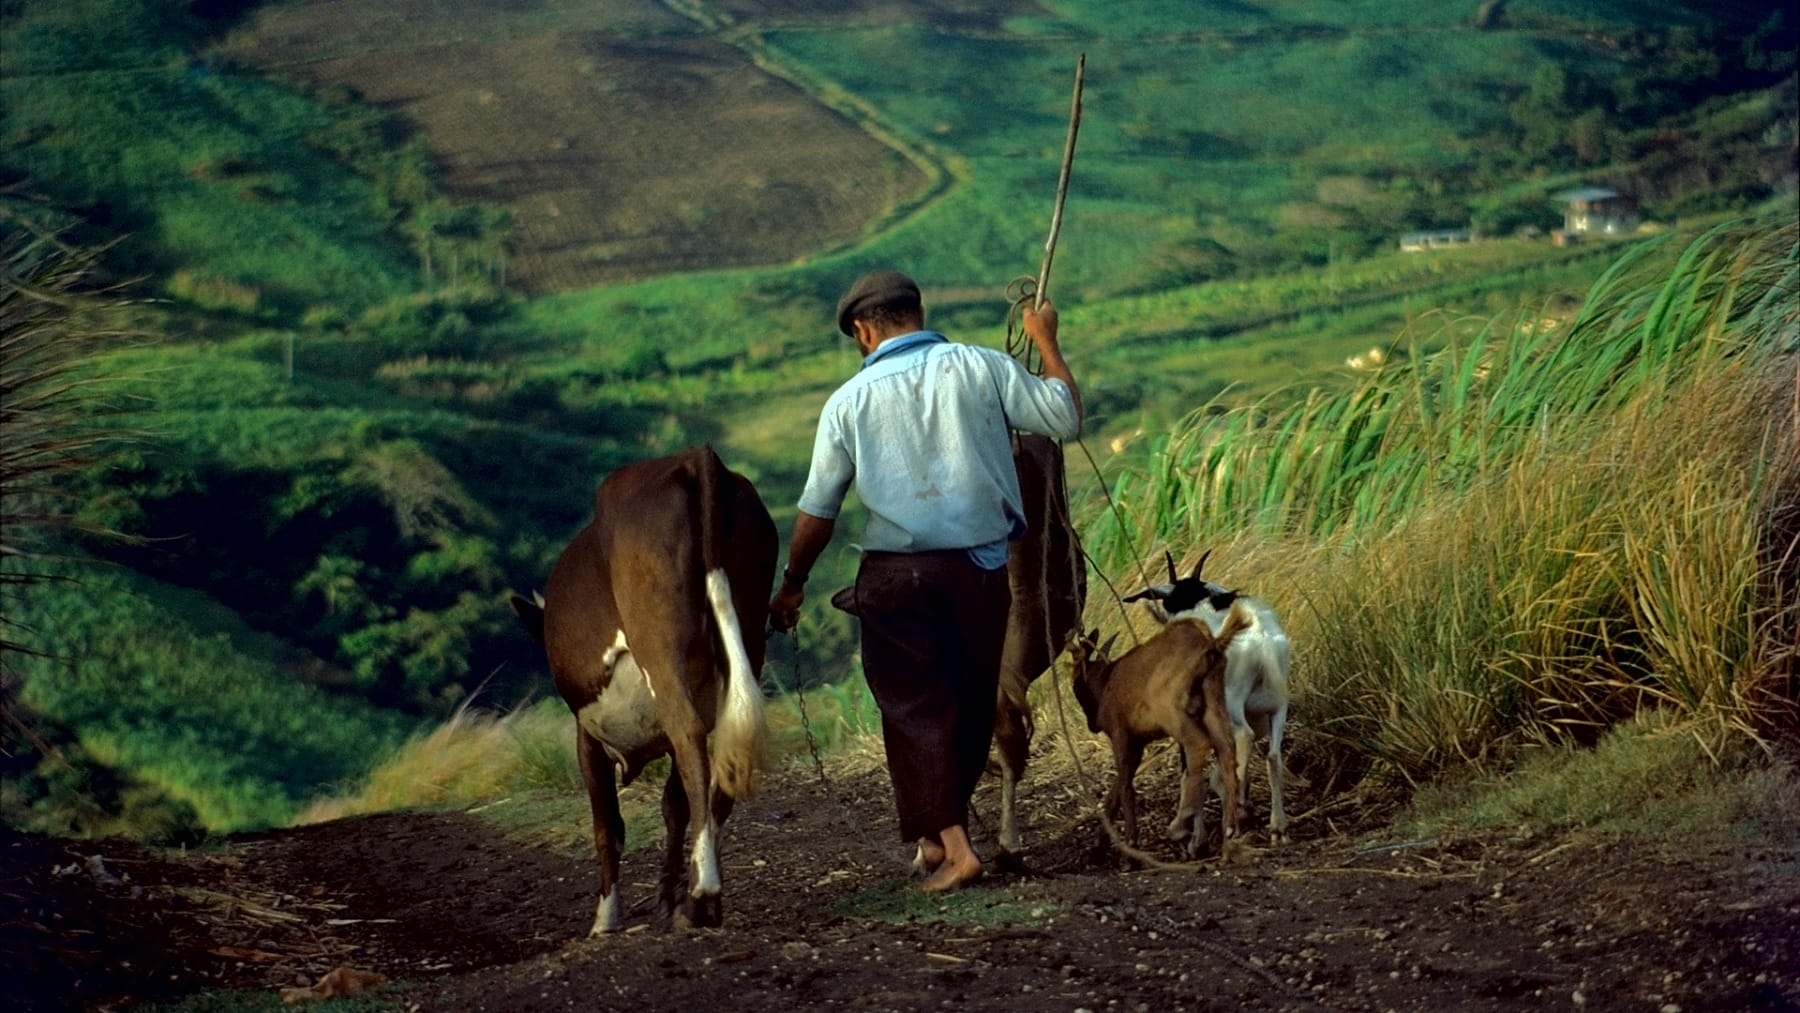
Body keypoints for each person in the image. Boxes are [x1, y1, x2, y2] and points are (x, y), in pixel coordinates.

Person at [768, 269, 1082, 892]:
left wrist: (793, 582)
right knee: (967, 704)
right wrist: (1044, 340)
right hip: (981, 569)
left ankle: (958, 849)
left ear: (862, 331)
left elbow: (818, 512)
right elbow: (1064, 418)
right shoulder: (982, 367)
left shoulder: (847, 403)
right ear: (919, 310)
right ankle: (939, 842)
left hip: (896, 576)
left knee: (914, 708)